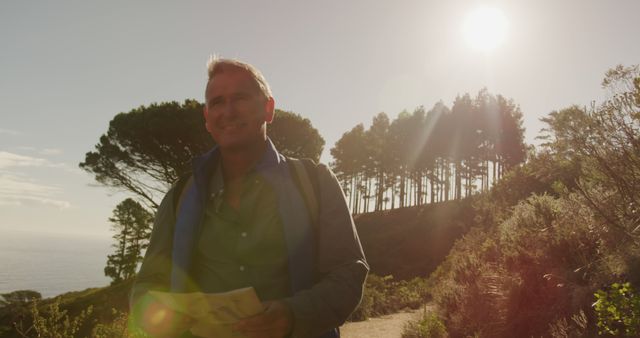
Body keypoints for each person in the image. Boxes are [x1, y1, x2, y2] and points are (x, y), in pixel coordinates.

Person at [129, 57, 369, 338]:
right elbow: (147, 285)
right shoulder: (179, 196)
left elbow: (348, 273)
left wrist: (293, 316)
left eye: (240, 98)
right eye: (217, 102)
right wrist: (159, 318)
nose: (228, 111)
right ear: (207, 119)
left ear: (268, 109)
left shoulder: (316, 182)